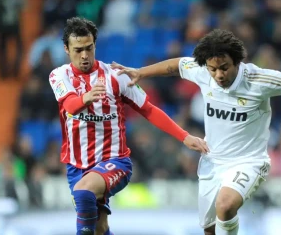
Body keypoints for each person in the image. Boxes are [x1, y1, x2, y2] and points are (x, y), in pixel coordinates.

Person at [111, 29, 281, 235]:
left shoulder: (260, 80)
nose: (218, 75)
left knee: (225, 205)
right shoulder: (203, 71)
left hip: (249, 162)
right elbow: (175, 66)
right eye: (213, 69)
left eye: (224, 67)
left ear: (237, 61)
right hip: (212, 162)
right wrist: (141, 73)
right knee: (209, 229)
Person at [48, 17, 208, 235]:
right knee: (99, 228)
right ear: (67, 49)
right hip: (77, 166)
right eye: (78, 50)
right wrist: (87, 97)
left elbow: (149, 109)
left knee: (84, 192)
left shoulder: (116, 77)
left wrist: (184, 136)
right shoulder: (59, 75)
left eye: (89, 48)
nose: (84, 55)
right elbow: (69, 105)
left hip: (115, 161)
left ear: (95, 45)